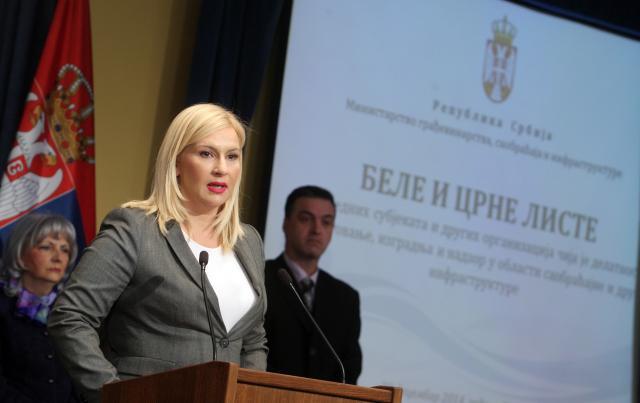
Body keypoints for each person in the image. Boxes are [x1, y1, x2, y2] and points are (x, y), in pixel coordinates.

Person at [48, 104, 268, 403]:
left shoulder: (248, 242)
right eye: (206, 153)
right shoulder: (136, 229)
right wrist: (114, 395)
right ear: (176, 162)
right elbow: (71, 317)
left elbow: (253, 340)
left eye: (232, 156)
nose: (221, 168)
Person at [264, 185, 362, 384]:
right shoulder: (259, 277)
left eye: (326, 222)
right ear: (286, 223)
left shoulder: (345, 298)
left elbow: (350, 368)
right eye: (306, 219)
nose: (317, 230)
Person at [0, 213, 80, 403]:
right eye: (46, 247)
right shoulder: (2, 306)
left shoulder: (72, 311)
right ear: (21, 254)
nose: (58, 257)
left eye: (65, 249)